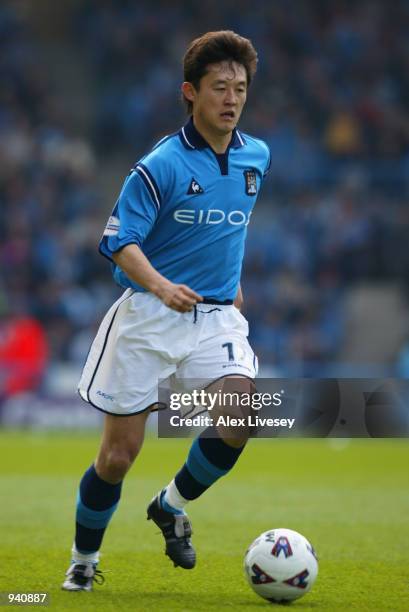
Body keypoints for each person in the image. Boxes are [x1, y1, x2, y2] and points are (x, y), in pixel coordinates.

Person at [62, 30, 270, 591]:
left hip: (217, 317)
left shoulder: (257, 156)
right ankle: (84, 560)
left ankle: (170, 505)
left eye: (241, 88)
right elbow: (117, 241)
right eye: (219, 87)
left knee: (241, 416)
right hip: (149, 317)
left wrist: (232, 282)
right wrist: (162, 285)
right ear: (190, 92)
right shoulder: (160, 165)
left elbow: (230, 227)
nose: (232, 98)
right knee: (117, 457)